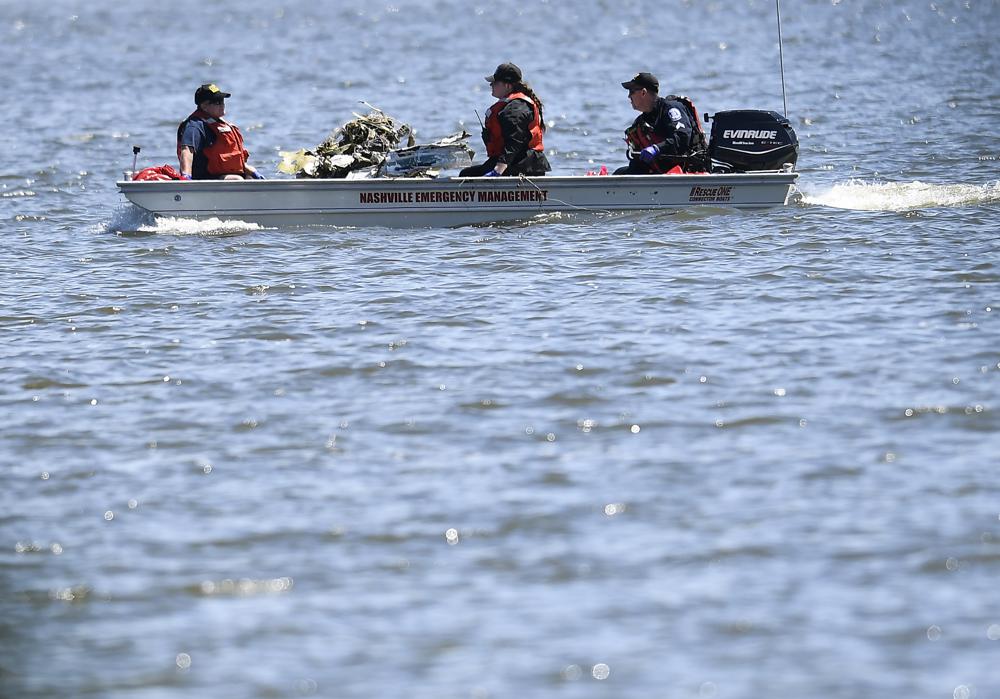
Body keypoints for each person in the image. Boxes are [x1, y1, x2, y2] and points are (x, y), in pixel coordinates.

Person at [459, 63, 551, 178]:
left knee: (466, 175)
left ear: (507, 85)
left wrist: (498, 170)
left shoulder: (515, 109)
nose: (491, 85)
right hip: (517, 163)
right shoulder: (510, 105)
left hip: (524, 166)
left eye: (495, 82)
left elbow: (514, 141)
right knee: (468, 173)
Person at [614, 72, 708, 175]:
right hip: (661, 173)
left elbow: (682, 137)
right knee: (620, 173)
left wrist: (657, 148)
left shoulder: (671, 109)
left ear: (643, 92)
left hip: (690, 170)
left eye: (631, 92)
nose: (628, 96)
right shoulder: (640, 123)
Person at [176, 83, 264, 180]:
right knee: (237, 179)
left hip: (225, 175)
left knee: (250, 177)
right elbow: (187, 150)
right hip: (205, 178)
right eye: (217, 102)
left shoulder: (222, 125)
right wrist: (186, 177)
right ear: (204, 106)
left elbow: (236, 163)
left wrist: (254, 173)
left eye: (222, 101)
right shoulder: (194, 126)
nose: (222, 105)